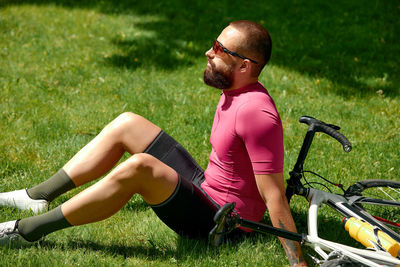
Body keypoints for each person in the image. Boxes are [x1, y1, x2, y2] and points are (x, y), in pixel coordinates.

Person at [0, 20, 307, 266]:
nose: (208, 53)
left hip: (224, 223)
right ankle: (38, 195)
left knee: (141, 167)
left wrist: (297, 264)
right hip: (207, 189)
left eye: (219, 49)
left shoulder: (256, 112)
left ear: (245, 66)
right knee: (128, 124)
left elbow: (274, 196)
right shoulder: (234, 90)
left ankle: (27, 230)